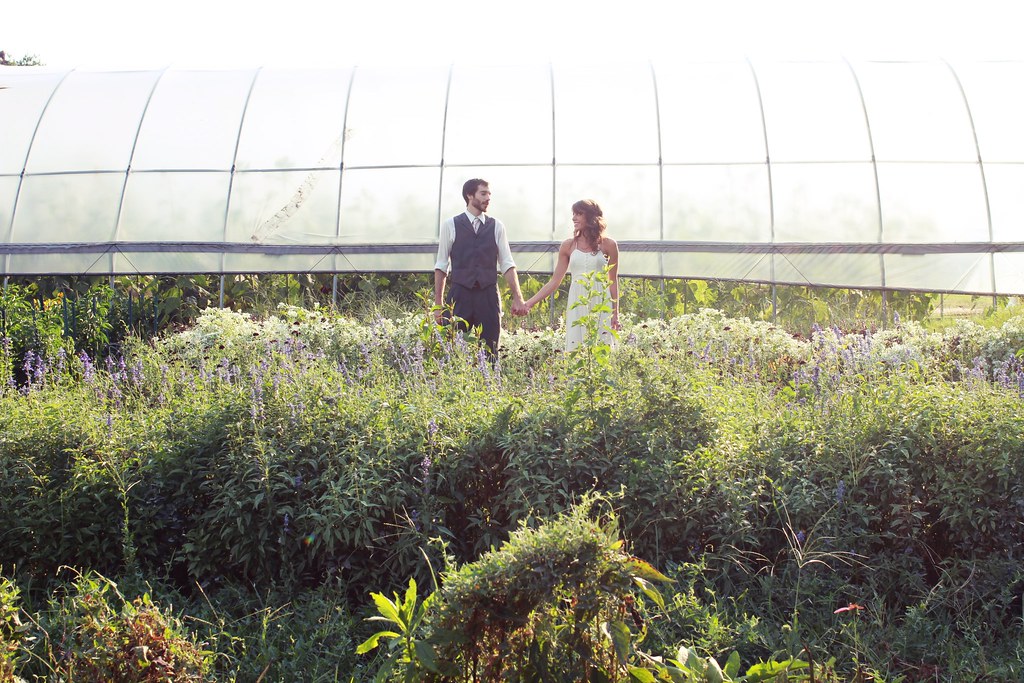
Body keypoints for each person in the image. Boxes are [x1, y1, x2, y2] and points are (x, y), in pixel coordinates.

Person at [434, 179, 527, 355]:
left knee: (491, 352)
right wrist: (438, 304)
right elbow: (441, 265)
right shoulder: (450, 225)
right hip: (459, 296)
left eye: (489, 194)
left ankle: (490, 380)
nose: (488, 198)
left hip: (488, 296)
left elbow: (507, 263)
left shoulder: (497, 226)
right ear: (470, 195)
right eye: (483, 194)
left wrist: (518, 297)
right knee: (453, 351)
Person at [522, 199, 619, 351]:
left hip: (601, 301)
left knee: (602, 347)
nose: (574, 218)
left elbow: (612, 281)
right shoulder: (568, 246)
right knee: (577, 348)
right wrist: (529, 303)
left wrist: (615, 314)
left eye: (579, 214)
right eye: (573, 214)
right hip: (577, 301)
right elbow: (554, 282)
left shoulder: (609, 245)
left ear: (592, 216)